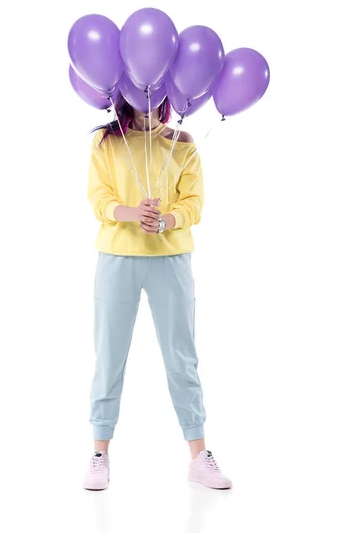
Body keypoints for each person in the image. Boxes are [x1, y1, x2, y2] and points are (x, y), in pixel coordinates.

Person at [82, 96, 232, 490]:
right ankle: (100, 452)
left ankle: (199, 455)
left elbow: (194, 204)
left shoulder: (183, 142)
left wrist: (167, 219)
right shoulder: (106, 143)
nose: (146, 100)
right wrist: (133, 213)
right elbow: (99, 198)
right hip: (117, 257)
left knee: (182, 356)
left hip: (172, 259)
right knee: (109, 354)